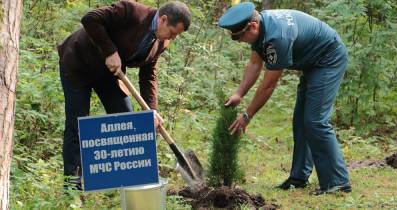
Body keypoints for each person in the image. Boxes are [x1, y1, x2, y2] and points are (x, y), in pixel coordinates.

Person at [219, 2, 351, 195]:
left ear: (252, 26)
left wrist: (247, 115)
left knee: (315, 121)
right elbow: (255, 64)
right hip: (312, 63)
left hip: (328, 59)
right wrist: (239, 93)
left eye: (238, 37)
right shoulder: (261, 24)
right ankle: (298, 177)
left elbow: (269, 85)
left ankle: (337, 182)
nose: (238, 41)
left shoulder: (277, 37)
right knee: (301, 121)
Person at [57, 0, 191, 190]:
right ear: (163, 19)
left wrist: (151, 111)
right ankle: (72, 185)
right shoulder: (131, 11)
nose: (173, 38)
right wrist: (110, 51)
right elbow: (90, 19)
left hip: (108, 74)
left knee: (127, 118)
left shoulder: (162, 42)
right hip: (79, 63)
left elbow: (149, 75)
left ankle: (127, 180)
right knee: (76, 123)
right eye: (173, 32)